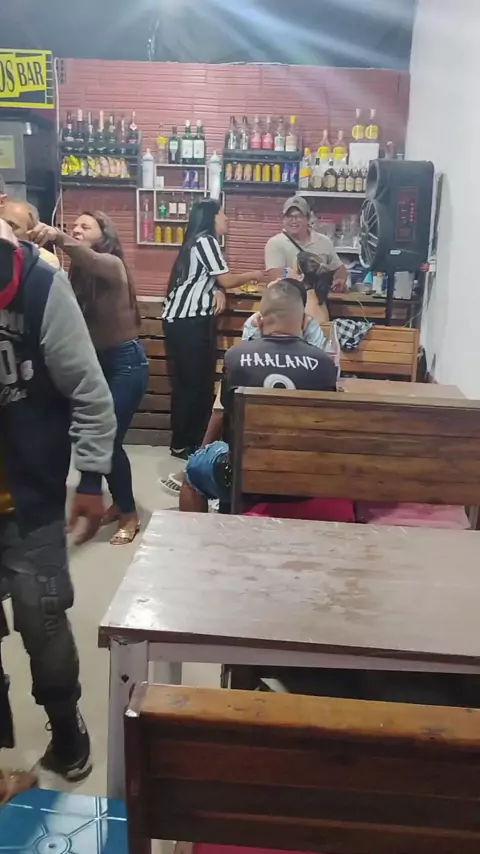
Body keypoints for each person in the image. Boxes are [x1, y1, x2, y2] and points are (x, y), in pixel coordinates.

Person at [0, 219, 116, 781]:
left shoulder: (41, 286)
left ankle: (66, 727)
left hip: (28, 497)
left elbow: (90, 391)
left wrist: (91, 478)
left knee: (42, 620)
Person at [29, 212, 147, 545]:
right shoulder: (77, 272)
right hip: (96, 363)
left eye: (86, 226)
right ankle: (120, 502)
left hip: (126, 364)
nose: (77, 229)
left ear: (103, 234)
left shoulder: (112, 265)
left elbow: (92, 259)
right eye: (74, 225)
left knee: (108, 440)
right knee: (104, 438)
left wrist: (59, 236)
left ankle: (129, 514)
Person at [179, 279, 338, 512]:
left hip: (240, 476)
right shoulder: (324, 364)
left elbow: (226, 412)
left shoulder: (235, 358)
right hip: (305, 477)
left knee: (193, 471)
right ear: (304, 322)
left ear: (260, 322)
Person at [162, 198, 267, 461]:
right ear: (210, 218)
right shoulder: (206, 241)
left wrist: (218, 290)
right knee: (192, 384)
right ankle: (184, 443)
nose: (226, 219)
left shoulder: (197, 242)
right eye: (222, 214)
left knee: (194, 383)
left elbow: (211, 280)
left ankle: (191, 441)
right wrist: (255, 275)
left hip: (184, 321)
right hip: (188, 322)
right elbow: (226, 279)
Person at [265, 197, 348, 299]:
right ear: (283, 219)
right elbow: (275, 277)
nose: (293, 220)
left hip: (320, 301)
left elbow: (340, 269)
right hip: (290, 300)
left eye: (298, 216)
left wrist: (339, 280)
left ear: (308, 218)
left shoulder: (324, 241)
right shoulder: (275, 243)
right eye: (289, 216)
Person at [0, 198, 60, 268]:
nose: (4, 229)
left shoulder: (45, 261)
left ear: (32, 232)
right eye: (2, 223)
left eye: (12, 226)